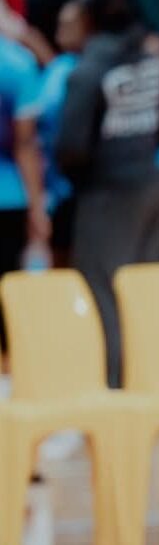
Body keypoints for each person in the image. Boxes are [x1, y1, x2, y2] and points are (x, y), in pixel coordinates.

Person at [53, 0, 159, 385]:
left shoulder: (88, 71)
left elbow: (71, 146)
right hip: (151, 183)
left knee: (101, 290)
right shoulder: (152, 60)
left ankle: (110, 389)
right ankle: (149, 379)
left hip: (106, 192)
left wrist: (83, 180)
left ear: (89, 19)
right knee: (143, 287)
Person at [17, 0, 85, 267]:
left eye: (68, 24)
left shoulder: (72, 69)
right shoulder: (61, 70)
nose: (61, 30)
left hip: (72, 185)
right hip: (54, 183)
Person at [0, 30, 45, 340]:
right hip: (9, 197)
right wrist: (37, 206)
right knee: (8, 298)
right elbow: (25, 143)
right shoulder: (17, 63)